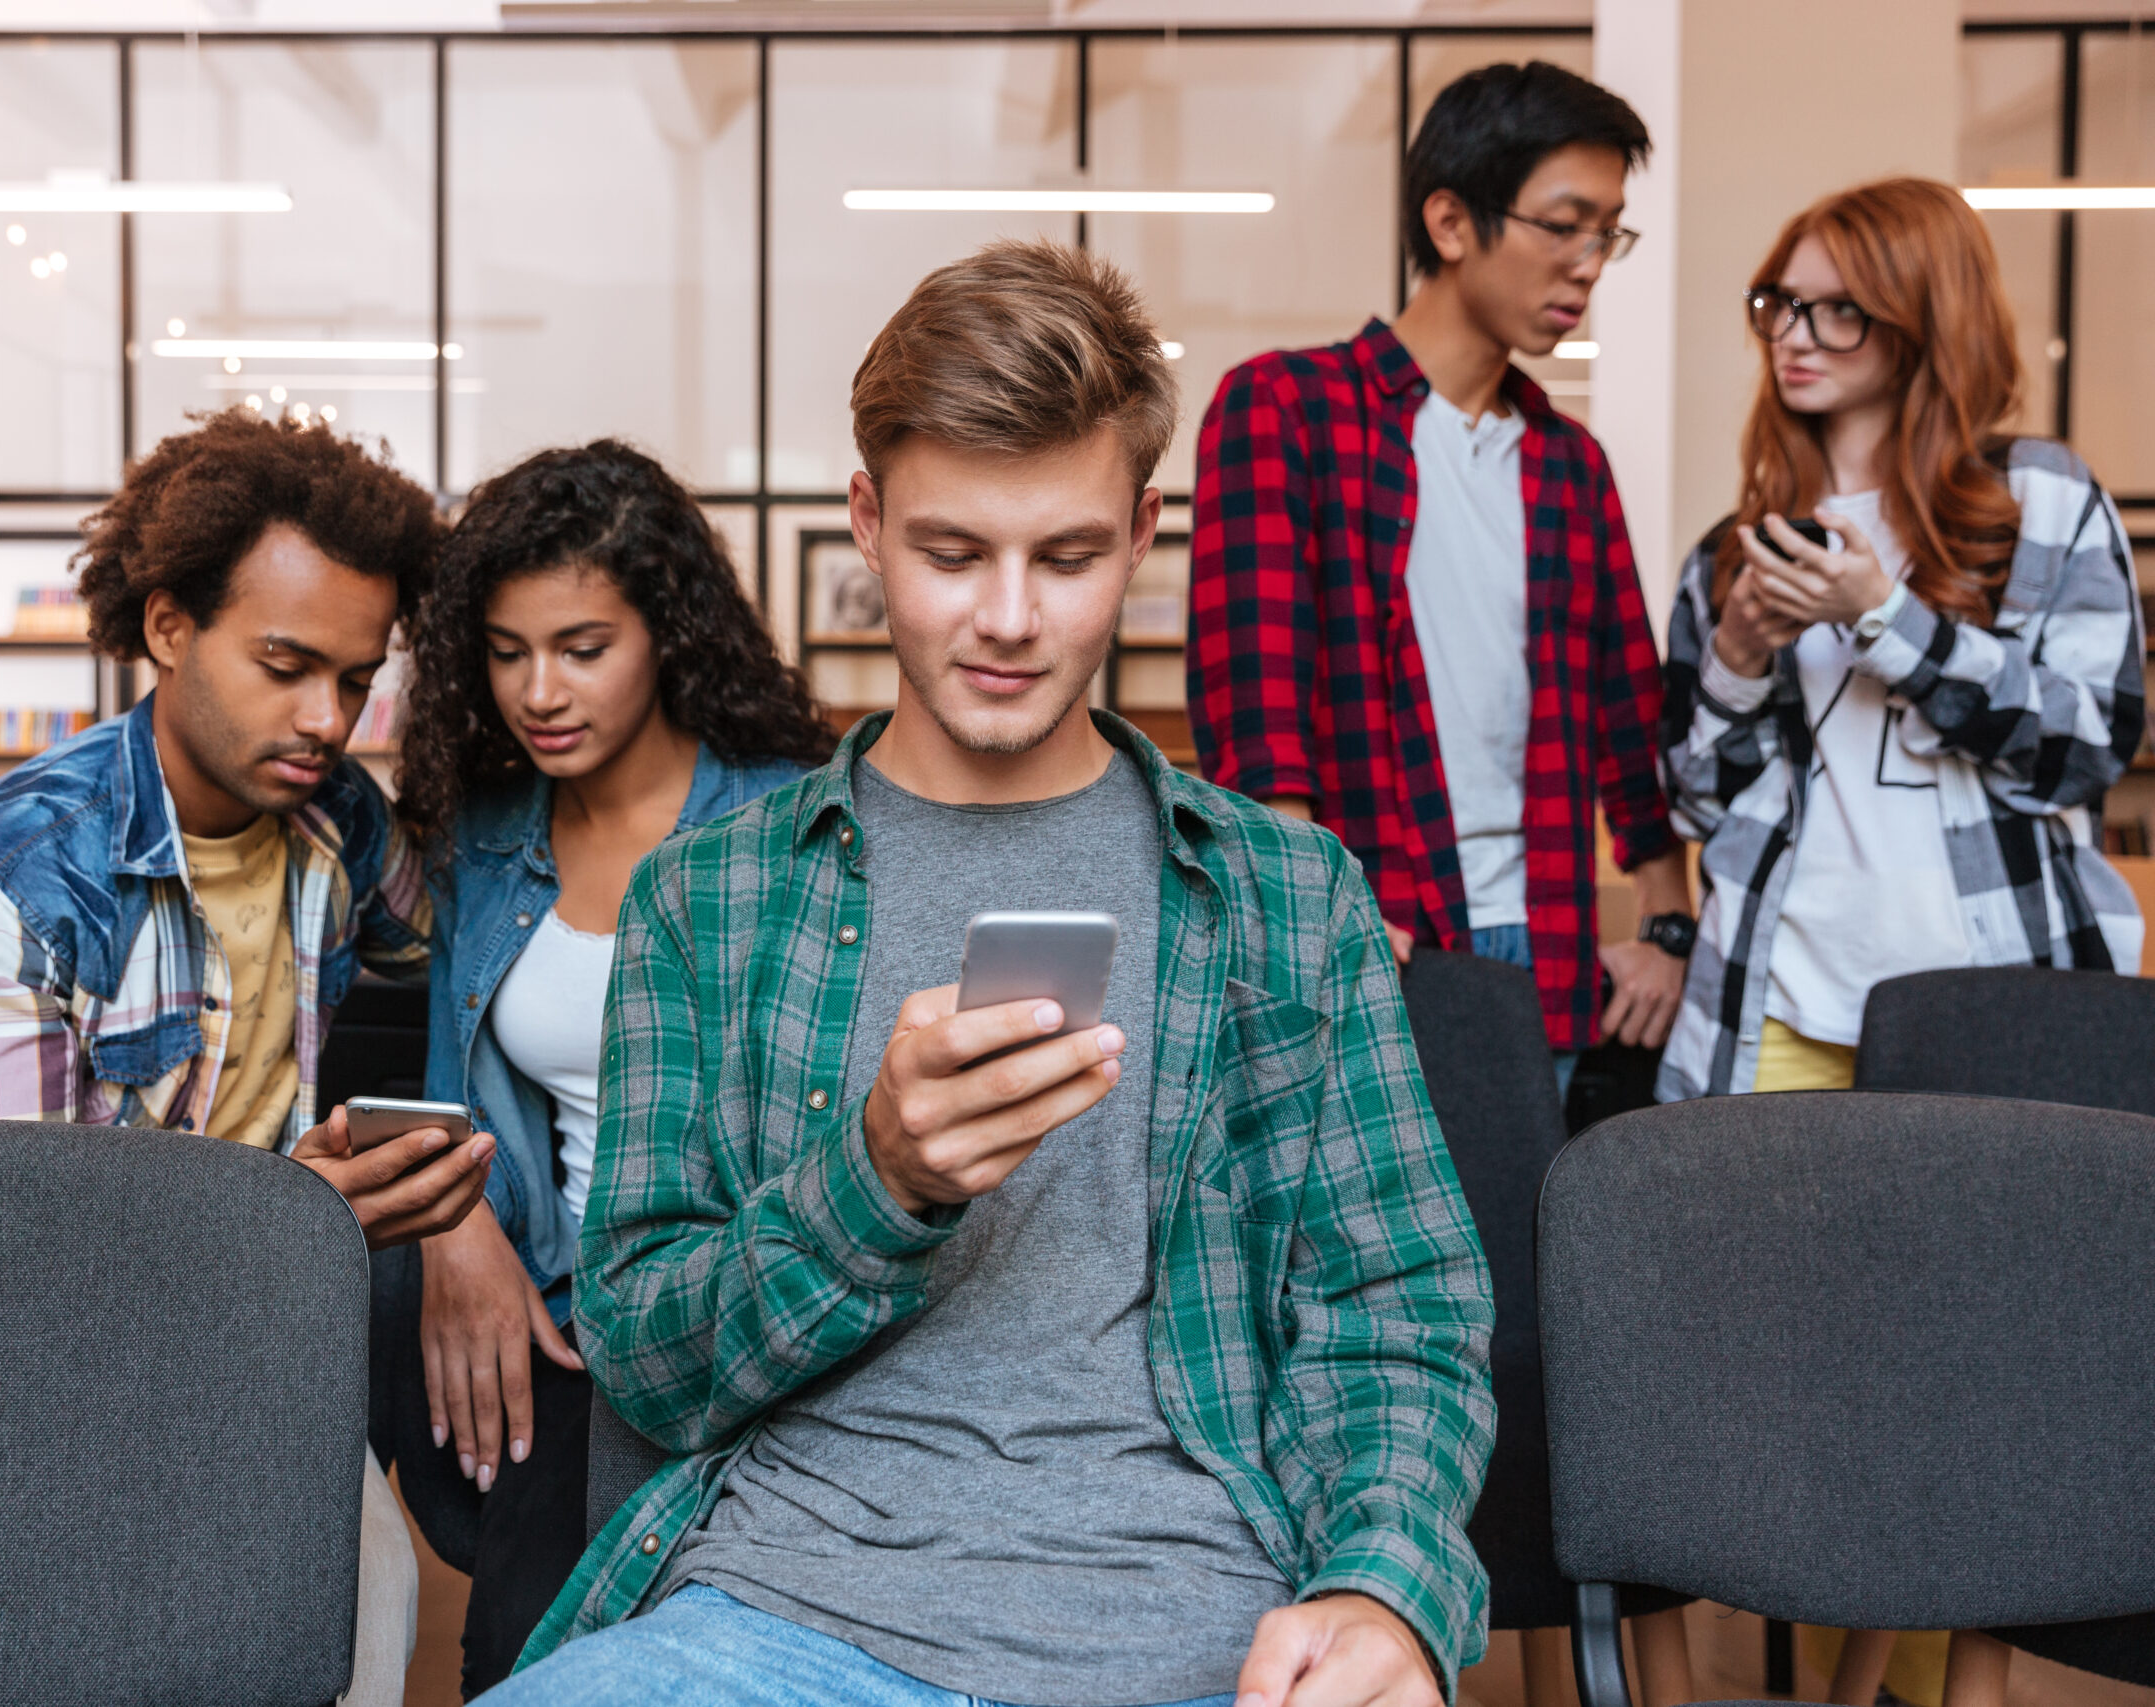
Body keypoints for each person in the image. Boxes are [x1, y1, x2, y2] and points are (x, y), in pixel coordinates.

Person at [477, 239, 1496, 1707]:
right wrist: (874, 1179)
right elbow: (647, 1355)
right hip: (774, 1619)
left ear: (1144, 531)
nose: (1010, 618)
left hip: (1203, 1628)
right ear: (869, 523)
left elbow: (1397, 1312)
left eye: (1067, 556)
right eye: (955, 553)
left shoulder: (1287, 896)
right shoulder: (711, 899)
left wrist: (1382, 1585)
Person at [0, 409, 490, 1707]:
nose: (328, 716)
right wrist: (288, 1212)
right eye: (284, 662)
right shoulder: (6, 886)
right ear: (165, 626)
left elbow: (484, 930)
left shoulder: (331, 815)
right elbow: (3, 1262)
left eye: (358, 678)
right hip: (27, 1403)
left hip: (254, 1344)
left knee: (364, 1623)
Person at [1658, 176, 2144, 1707]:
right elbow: (1697, 790)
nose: (1793, 335)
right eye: (1777, 303)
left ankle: (1933, 1685)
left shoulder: (2041, 501)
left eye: (1833, 307)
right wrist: (1736, 659)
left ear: (1917, 317)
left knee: (1977, 1390)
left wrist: (1887, 616)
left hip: (1997, 1020)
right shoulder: (1741, 541)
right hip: (1785, 1007)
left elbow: (2090, 746)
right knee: (1799, 1376)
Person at [379, 440, 836, 1695]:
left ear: (667, 636)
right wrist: (456, 1226)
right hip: (561, 1313)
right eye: (508, 650)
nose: (540, 690)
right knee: (517, 1646)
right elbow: (444, 1096)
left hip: (738, 1311)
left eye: (583, 647)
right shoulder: (486, 830)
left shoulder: (790, 824)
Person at [1188, 60, 1696, 1094]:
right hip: (1370, 938)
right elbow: (1257, 706)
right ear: (1452, 222)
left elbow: (1628, 716)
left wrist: (1668, 925)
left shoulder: (1568, 463)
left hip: (1548, 947)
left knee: (1530, 1249)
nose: (1589, 262)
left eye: (1608, 231)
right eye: (1564, 224)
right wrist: (1314, 911)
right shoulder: (1286, 408)